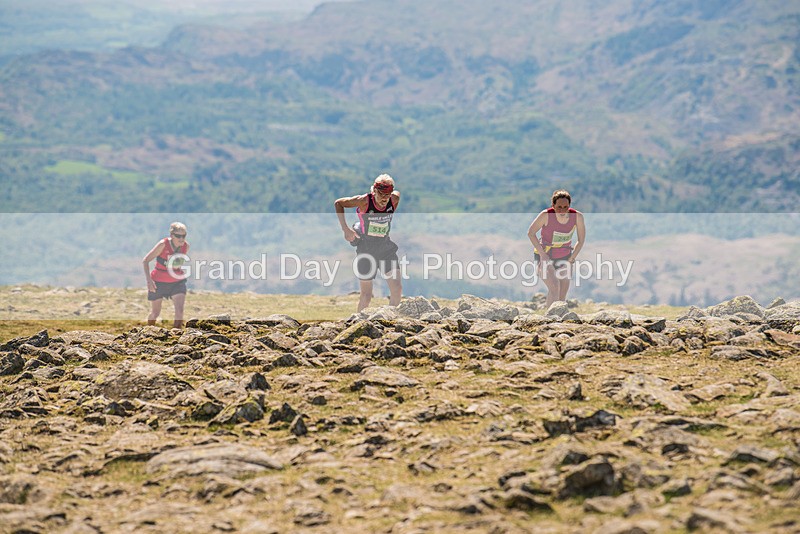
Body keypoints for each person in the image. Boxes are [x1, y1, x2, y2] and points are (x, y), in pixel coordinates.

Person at [335, 174, 402, 312]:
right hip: (366, 249)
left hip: (385, 248)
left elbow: (394, 195)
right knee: (366, 295)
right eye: (381, 194)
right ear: (374, 191)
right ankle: (357, 322)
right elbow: (339, 203)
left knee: (397, 289)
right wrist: (346, 229)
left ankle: (392, 319)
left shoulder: (394, 199)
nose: (385, 199)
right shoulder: (364, 201)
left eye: (387, 195)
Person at [527, 190, 586, 309]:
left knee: (562, 294)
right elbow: (531, 233)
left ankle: (557, 319)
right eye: (559, 207)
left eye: (565, 207)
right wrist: (542, 255)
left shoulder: (577, 217)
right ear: (553, 206)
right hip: (545, 255)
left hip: (565, 256)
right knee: (554, 287)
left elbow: (581, 240)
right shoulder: (546, 215)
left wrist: (572, 258)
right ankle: (549, 319)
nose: (562, 210)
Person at [142, 222, 190, 328]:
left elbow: (178, 264)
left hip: (177, 282)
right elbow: (146, 261)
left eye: (184, 236)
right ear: (172, 236)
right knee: (155, 313)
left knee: (179, 311)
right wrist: (149, 281)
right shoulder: (163, 245)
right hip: (158, 282)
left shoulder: (185, 247)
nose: (181, 239)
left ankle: (177, 335)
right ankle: (148, 331)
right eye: (178, 236)